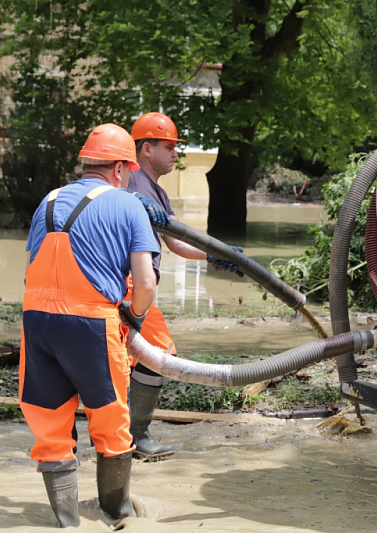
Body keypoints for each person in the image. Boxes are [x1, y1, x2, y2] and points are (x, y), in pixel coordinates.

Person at [20, 123, 160, 528]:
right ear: (120, 168)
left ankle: (65, 523)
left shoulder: (45, 201)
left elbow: (31, 270)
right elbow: (146, 281)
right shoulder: (128, 204)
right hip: (91, 326)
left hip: (37, 323)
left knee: (49, 424)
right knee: (110, 422)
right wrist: (134, 316)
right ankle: (117, 516)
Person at [124, 111, 242, 461]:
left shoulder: (157, 191)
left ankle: (121, 435)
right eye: (169, 146)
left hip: (135, 286)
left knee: (129, 361)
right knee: (158, 355)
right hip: (127, 284)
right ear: (146, 149)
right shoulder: (129, 180)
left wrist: (214, 254)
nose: (176, 153)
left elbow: (176, 240)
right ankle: (137, 435)